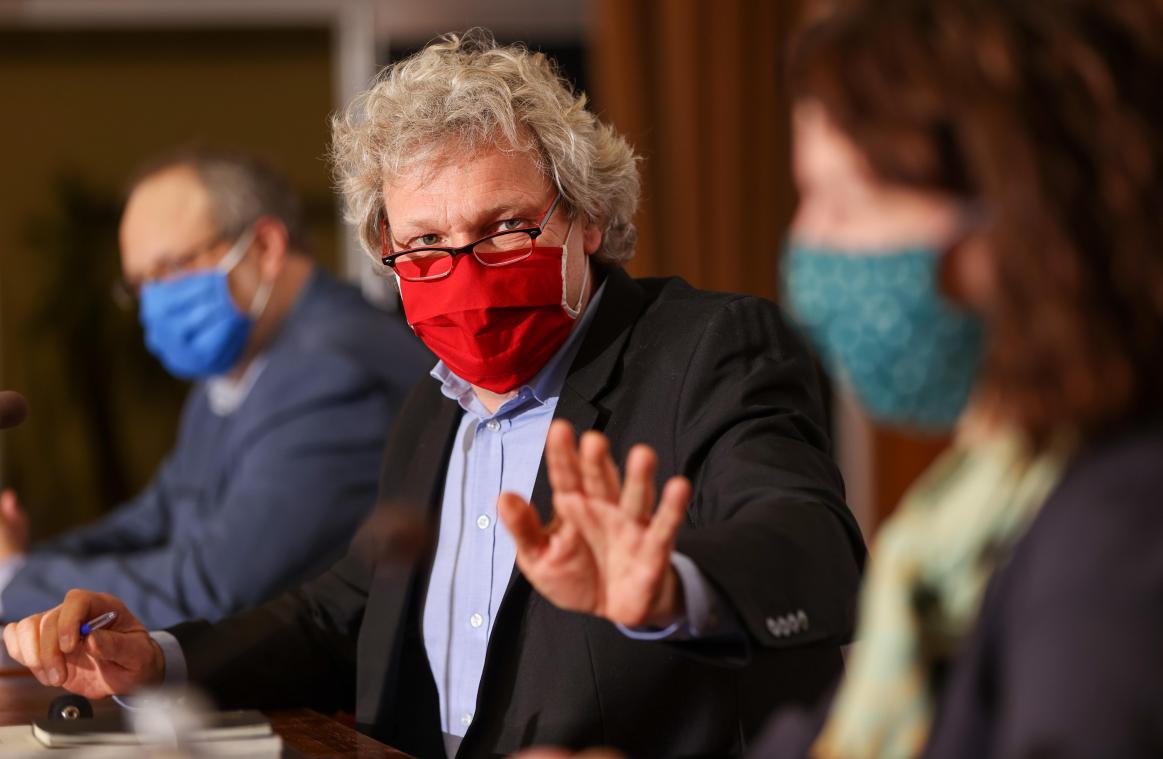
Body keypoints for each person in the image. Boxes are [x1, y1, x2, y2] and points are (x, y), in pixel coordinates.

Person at [2, 32, 866, 758]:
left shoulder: (706, 348)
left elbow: (812, 549)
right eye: (424, 243)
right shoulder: (433, 402)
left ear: (587, 219)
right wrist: (152, 658)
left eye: (504, 227)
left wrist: (674, 586)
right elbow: (345, 612)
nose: (464, 272)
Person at [746, 0, 1163, 756]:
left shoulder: (1119, 534)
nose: (804, 244)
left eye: (845, 203)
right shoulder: (984, 497)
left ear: (1024, 223)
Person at [0, 148, 431, 629]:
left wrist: (16, 578)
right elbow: (156, 519)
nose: (154, 301)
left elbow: (214, 586)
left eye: (171, 268)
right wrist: (16, 562)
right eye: (141, 283)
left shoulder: (332, 372)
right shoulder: (243, 359)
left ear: (265, 247)